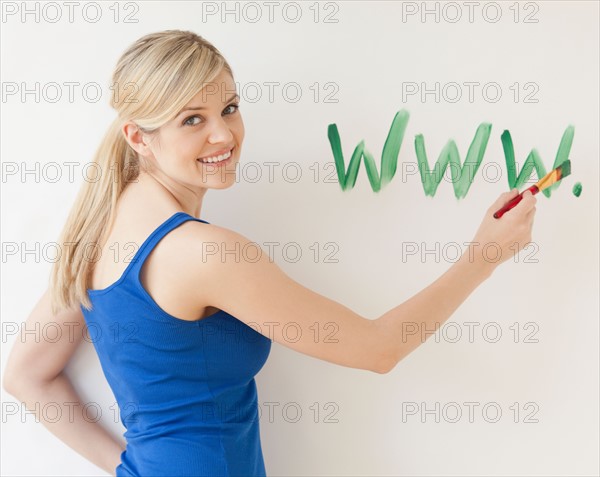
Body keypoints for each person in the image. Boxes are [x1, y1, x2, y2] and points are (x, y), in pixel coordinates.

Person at [2, 30, 537, 477]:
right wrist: (483, 256)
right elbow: (378, 349)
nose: (224, 134)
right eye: (192, 119)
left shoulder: (98, 229)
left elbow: (24, 374)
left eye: (229, 108)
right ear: (139, 138)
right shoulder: (204, 254)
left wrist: (133, 467)